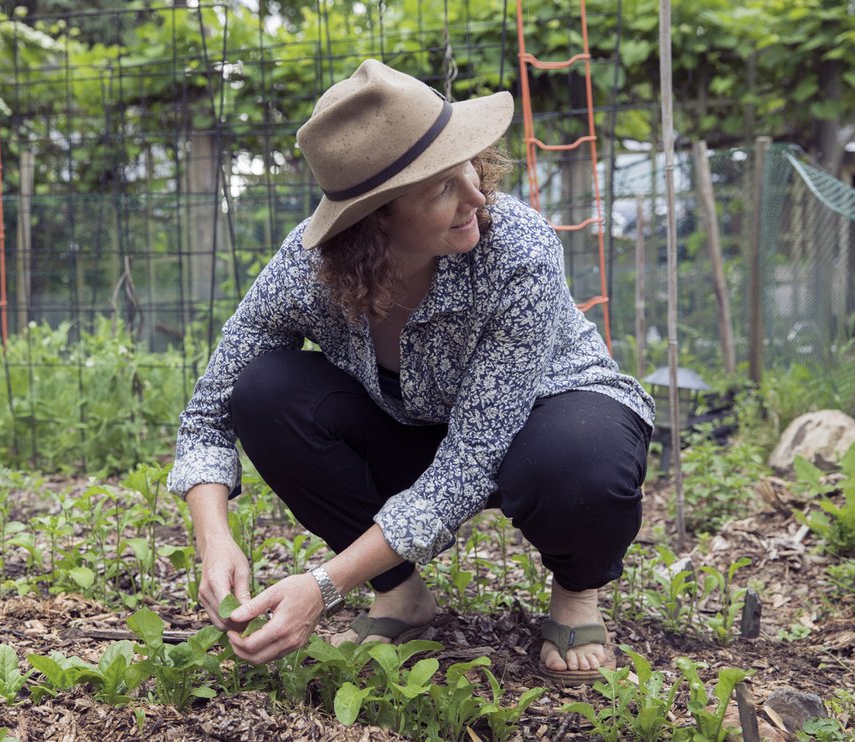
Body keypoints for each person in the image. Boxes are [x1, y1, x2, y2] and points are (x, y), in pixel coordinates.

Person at [168, 59, 655, 686]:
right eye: (442, 189)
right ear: (376, 221)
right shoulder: (307, 272)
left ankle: (577, 592)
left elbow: (472, 458)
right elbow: (210, 411)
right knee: (265, 391)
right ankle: (400, 591)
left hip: (549, 415)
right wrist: (214, 539)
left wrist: (324, 585)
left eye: (469, 167)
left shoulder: (517, 250)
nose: (476, 195)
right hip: (416, 429)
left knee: (577, 458)